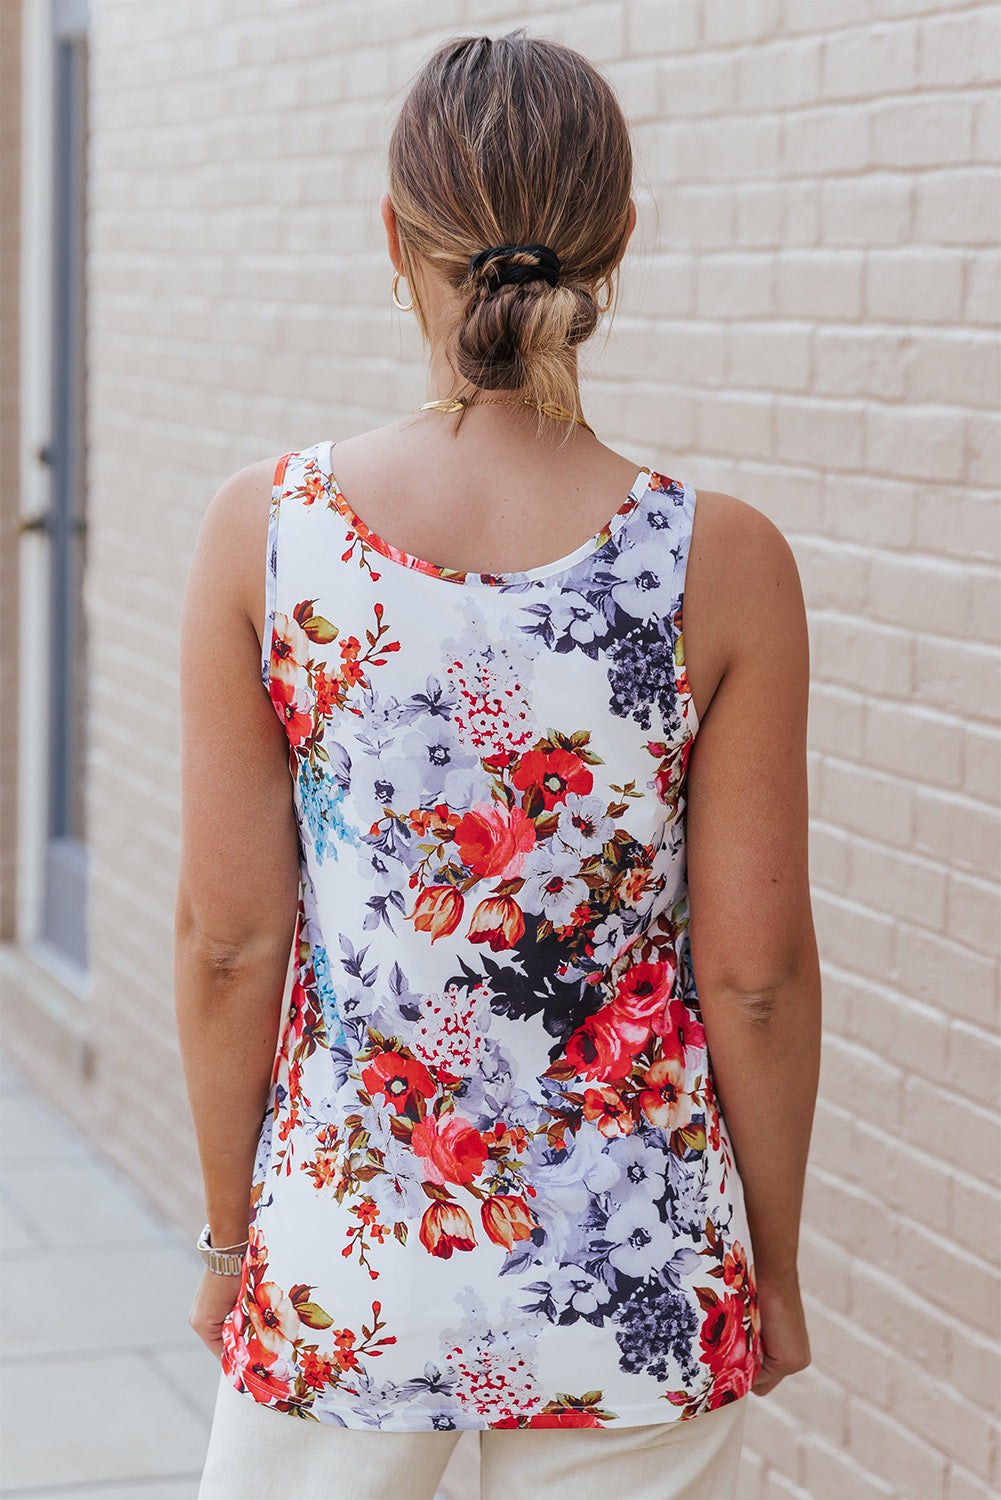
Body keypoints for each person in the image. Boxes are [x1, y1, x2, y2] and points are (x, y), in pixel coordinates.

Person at [175, 28, 821, 1500]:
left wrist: (234, 1242)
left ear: (391, 238)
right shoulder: (719, 562)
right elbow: (759, 971)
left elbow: (226, 942)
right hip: (640, 1269)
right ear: (617, 248)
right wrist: (766, 1263)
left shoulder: (266, 536)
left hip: (347, 1273)